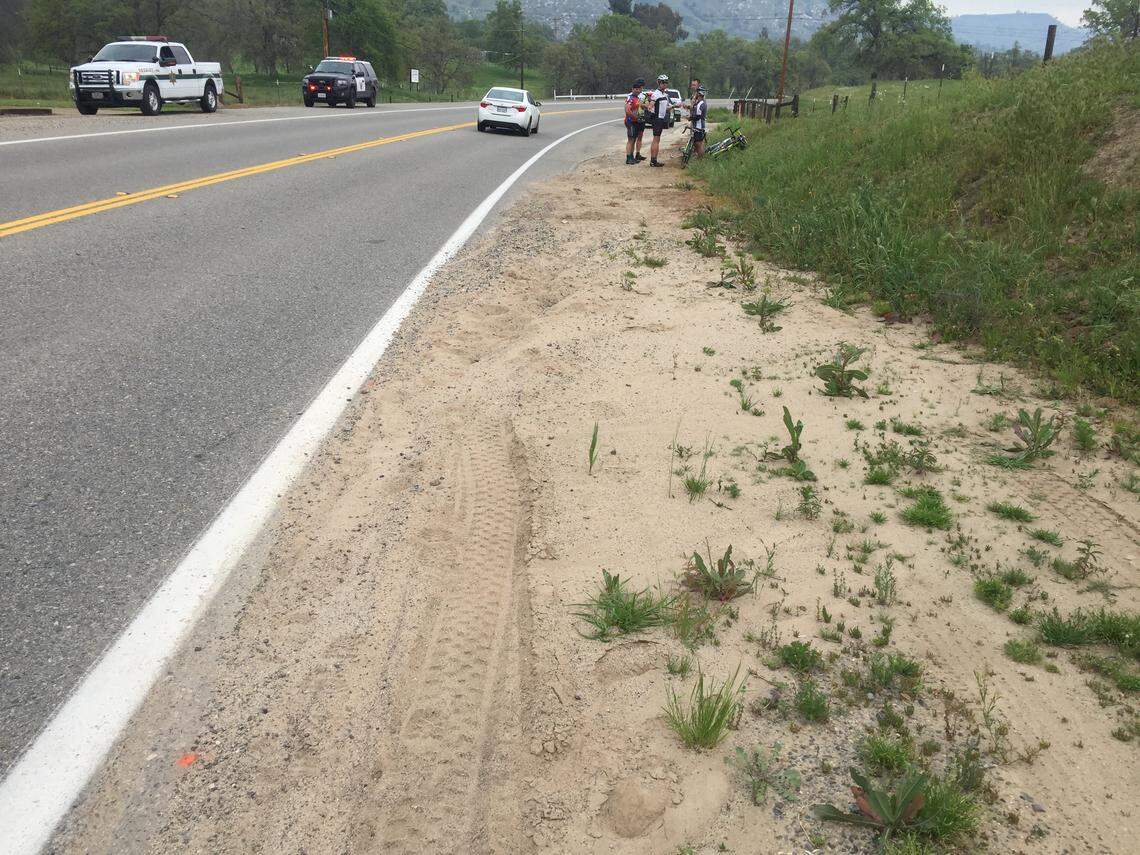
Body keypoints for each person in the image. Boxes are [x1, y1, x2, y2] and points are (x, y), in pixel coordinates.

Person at [647, 74, 671, 167]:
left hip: (662, 119)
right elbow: (650, 106)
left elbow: (666, 108)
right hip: (657, 119)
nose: (664, 84)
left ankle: (654, 160)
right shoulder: (656, 94)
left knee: (657, 139)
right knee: (656, 140)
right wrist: (650, 106)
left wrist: (674, 106)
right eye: (662, 82)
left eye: (666, 82)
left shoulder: (664, 94)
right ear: (658, 83)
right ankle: (653, 161)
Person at [624, 79, 646, 165]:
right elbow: (627, 110)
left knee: (634, 139)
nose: (637, 90)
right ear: (632, 89)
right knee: (631, 140)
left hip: (636, 121)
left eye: (639, 89)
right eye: (635, 89)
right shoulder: (631, 98)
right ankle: (628, 158)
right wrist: (635, 117)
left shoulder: (637, 98)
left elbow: (639, 107)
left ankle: (632, 157)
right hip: (630, 121)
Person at [690, 86, 708, 158]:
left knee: (698, 144)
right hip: (699, 126)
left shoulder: (701, 103)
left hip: (698, 126)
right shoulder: (700, 102)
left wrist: (690, 118)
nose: (695, 94)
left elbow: (698, 116)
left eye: (697, 92)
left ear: (699, 93)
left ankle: (700, 160)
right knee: (698, 143)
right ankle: (700, 159)